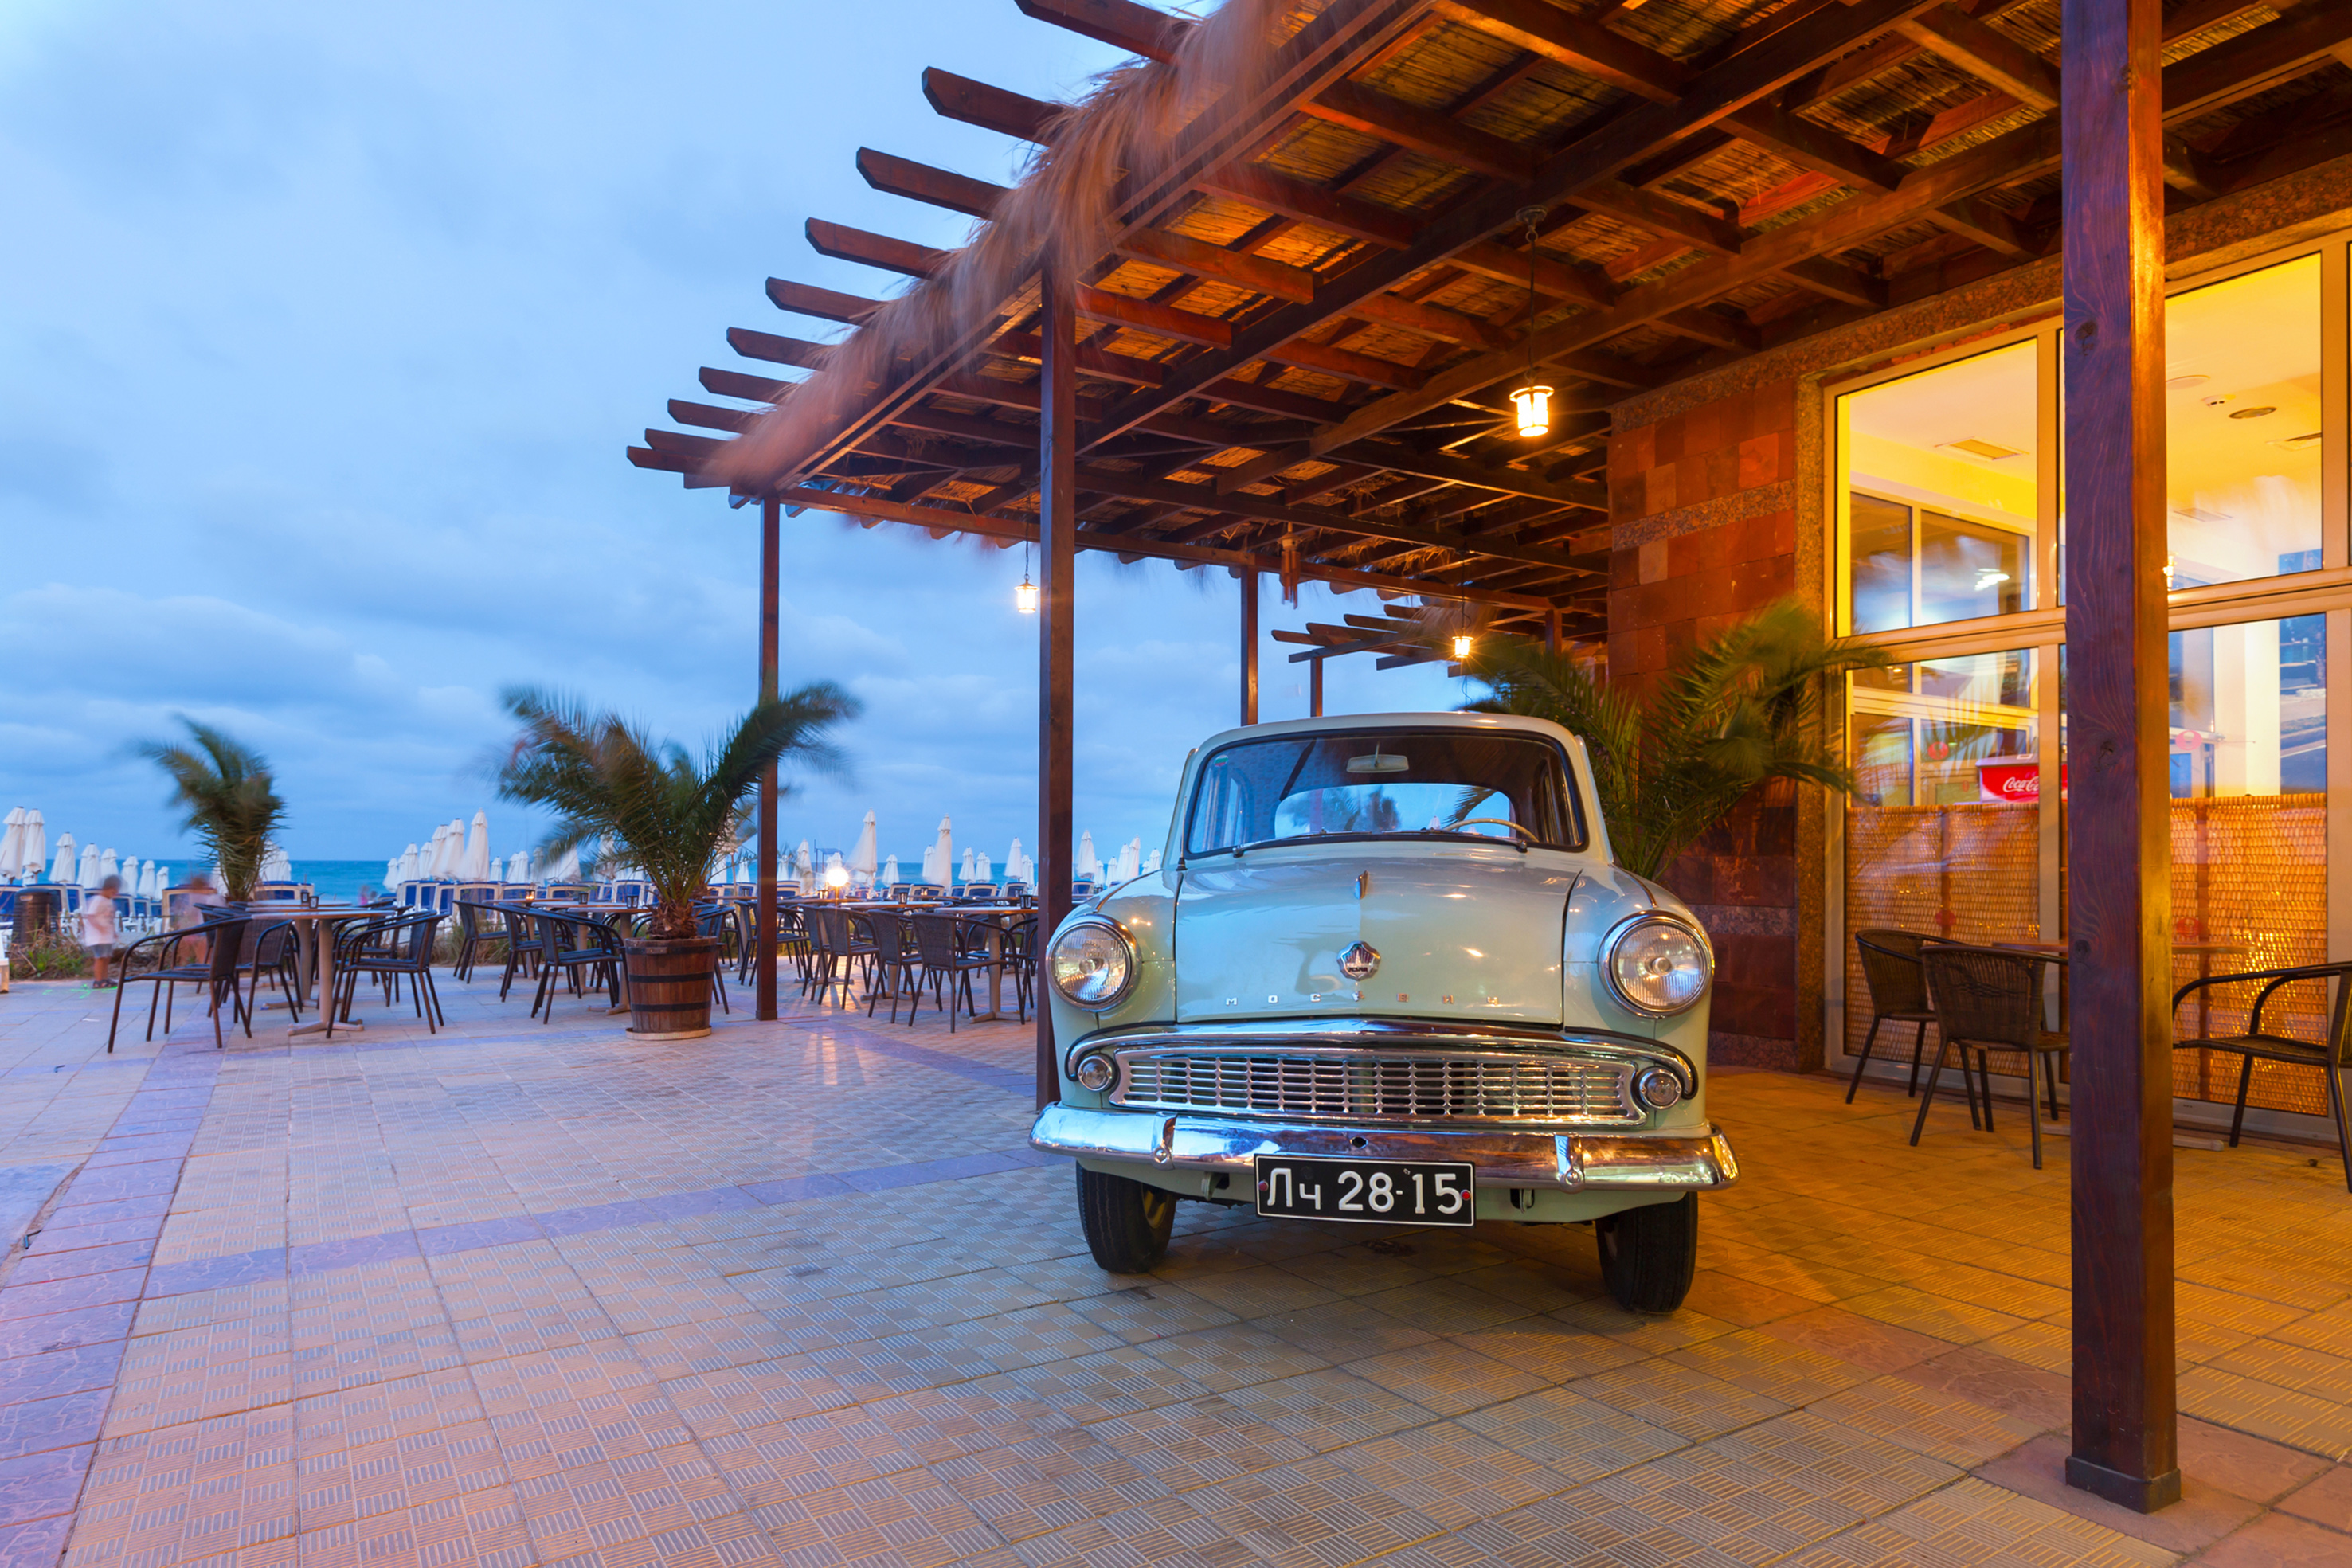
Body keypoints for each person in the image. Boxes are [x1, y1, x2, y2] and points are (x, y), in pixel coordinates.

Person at [83, 874, 121, 987]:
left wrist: (113, 931)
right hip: (97, 937)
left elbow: (111, 918)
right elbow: (90, 916)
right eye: (113, 891)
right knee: (100, 958)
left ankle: (105, 978)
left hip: (107, 936)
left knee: (106, 957)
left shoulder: (109, 901)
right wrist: (99, 928)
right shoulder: (97, 900)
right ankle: (98, 980)